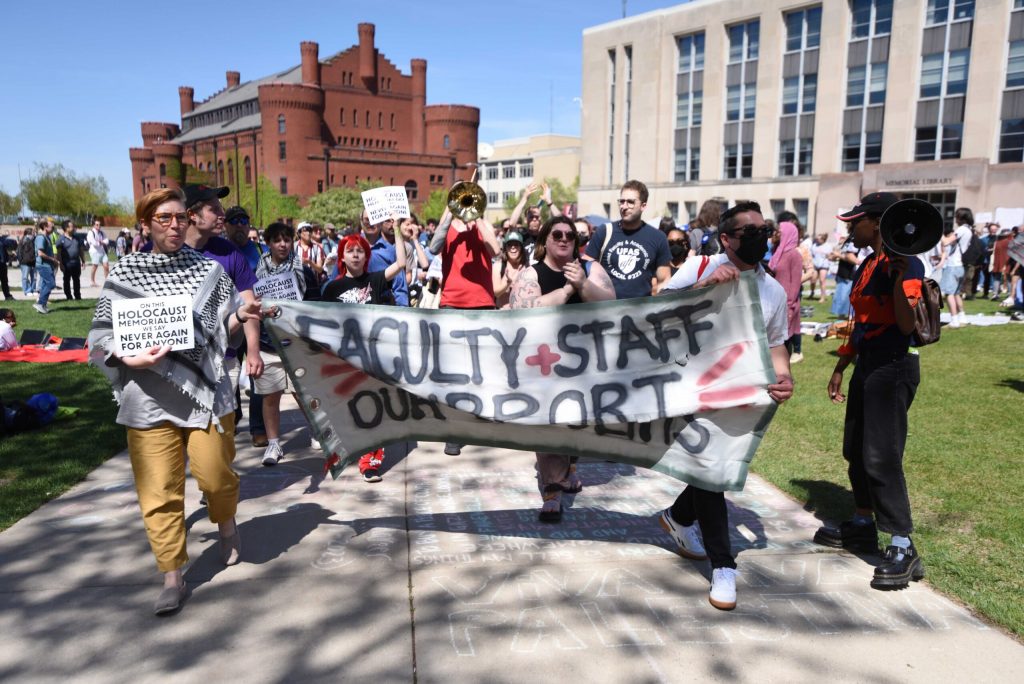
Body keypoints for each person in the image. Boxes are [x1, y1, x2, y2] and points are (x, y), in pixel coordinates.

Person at [87, 187, 266, 615]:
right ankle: (172, 574)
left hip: (207, 394)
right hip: (146, 397)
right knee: (158, 491)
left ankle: (226, 524)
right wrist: (127, 355)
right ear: (145, 224)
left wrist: (242, 317)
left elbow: (225, 326)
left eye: (179, 217)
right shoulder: (124, 273)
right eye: (163, 218)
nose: (174, 225)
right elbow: (98, 335)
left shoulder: (209, 272)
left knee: (216, 475)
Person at [658, 201, 793, 610]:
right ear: (726, 239)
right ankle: (723, 564)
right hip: (687, 387)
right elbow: (653, 312)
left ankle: (680, 517)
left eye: (763, 229)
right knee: (713, 471)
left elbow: (775, 341)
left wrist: (783, 375)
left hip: (736, 392)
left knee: (711, 467)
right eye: (748, 231)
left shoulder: (772, 290)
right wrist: (704, 287)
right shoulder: (699, 268)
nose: (760, 237)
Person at [814, 192, 926, 591]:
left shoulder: (905, 263)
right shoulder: (867, 262)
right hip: (868, 364)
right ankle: (863, 523)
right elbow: (860, 322)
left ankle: (901, 545)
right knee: (855, 447)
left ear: (877, 223)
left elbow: (905, 323)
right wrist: (842, 366)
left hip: (894, 365)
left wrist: (898, 277)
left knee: (882, 454)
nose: (849, 228)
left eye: (855, 221)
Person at [509, 216, 615, 522]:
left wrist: (582, 284)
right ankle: (552, 491)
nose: (565, 239)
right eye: (557, 234)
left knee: (576, 423)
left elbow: (612, 303)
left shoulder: (592, 269)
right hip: (545, 366)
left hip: (585, 364)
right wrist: (568, 292)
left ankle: (568, 468)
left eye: (571, 235)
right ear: (545, 240)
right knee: (549, 426)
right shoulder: (532, 273)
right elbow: (520, 311)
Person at [322, 226, 409, 482]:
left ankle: (370, 462)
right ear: (342, 256)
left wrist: (396, 228)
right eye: (350, 251)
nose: (356, 255)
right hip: (342, 360)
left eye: (361, 250)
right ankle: (344, 450)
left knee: (372, 409)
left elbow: (401, 262)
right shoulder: (331, 289)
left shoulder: (376, 280)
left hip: (373, 357)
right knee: (346, 410)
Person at [429, 208, 500, 454]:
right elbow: (433, 246)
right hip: (452, 304)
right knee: (455, 372)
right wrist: (448, 215)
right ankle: (455, 431)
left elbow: (496, 250)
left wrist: (477, 218)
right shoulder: (447, 223)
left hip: (482, 302)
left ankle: (483, 422)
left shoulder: (482, 224)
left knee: (484, 368)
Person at [253, 222, 321, 467]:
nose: (282, 244)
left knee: (302, 392)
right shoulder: (256, 272)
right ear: (268, 243)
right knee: (270, 397)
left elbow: (315, 304)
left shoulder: (303, 270)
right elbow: (250, 308)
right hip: (267, 343)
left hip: (296, 342)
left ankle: (317, 431)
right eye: (276, 240)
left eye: (286, 240)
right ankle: (273, 444)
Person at [583, 180, 671, 298]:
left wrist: (655, 307)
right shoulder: (604, 232)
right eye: (621, 201)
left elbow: (664, 280)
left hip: (640, 311)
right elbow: (585, 268)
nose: (624, 206)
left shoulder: (658, 237)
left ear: (643, 206)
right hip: (606, 309)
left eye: (630, 202)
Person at [769, 221, 806, 363]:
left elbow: (795, 284)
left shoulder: (794, 255)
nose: (776, 233)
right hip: (775, 302)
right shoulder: (777, 252)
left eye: (780, 231)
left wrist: (789, 306)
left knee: (783, 343)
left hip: (787, 304)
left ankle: (784, 376)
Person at [936, 207, 973, 328]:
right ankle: (962, 317)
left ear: (962, 218)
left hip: (953, 265)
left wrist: (939, 232)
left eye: (957, 216)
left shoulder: (961, 229)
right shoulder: (969, 229)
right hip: (960, 265)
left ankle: (954, 320)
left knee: (949, 293)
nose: (955, 219)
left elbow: (945, 242)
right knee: (956, 293)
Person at [492, 231, 528, 309]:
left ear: (521, 248)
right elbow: (496, 293)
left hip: (522, 314)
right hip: (502, 315)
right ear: (505, 248)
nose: (513, 247)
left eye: (516, 244)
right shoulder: (498, 266)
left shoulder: (527, 267)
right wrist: (508, 283)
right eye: (509, 245)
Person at [224, 206, 263, 272]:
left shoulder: (262, 250)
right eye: (234, 221)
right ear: (225, 226)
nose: (239, 225)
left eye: (244, 221)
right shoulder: (218, 253)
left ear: (248, 225)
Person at [33, 219, 59, 315]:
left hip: (47, 265)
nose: (53, 228)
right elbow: (40, 253)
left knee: (45, 284)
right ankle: (40, 303)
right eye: (51, 226)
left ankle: (42, 305)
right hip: (43, 265)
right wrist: (53, 260)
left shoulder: (47, 237)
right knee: (51, 284)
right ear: (44, 226)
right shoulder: (41, 237)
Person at [57, 220, 85, 301]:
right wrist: (60, 264)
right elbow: (58, 253)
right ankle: (68, 296)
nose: (74, 228)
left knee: (76, 280)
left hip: (76, 263)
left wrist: (83, 260)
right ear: (66, 228)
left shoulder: (77, 238)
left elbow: (80, 250)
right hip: (66, 263)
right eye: (72, 226)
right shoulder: (61, 239)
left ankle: (77, 296)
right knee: (66, 280)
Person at [86, 219, 110, 286]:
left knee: (106, 266)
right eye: (97, 224)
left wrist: (101, 242)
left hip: (102, 251)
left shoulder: (102, 232)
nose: (98, 226)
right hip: (94, 252)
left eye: (99, 225)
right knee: (95, 266)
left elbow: (107, 241)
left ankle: (107, 281)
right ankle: (92, 281)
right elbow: (94, 243)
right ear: (93, 225)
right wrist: (101, 242)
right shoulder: (91, 232)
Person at [809, 233, 831, 302]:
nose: (817, 240)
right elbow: (811, 255)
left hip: (824, 265)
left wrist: (829, 257)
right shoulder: (814, 245)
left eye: (818, 239)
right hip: (815, 265)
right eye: (816, 239)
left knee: (822, 280)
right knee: (812, 280)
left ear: (823, 240)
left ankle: (822, 297)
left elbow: (830, 256)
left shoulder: (828, 246)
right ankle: (812, 292)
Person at [18, 227, 36, 296]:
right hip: (25, 262)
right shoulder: (23, 241)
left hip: (33, 262)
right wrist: (21, 260)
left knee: (34, 277)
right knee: (25, 277)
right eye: (33, 232)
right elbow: (19, 252)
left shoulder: (34, 240)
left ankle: (33, 289)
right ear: (28, 233)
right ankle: (27, 290)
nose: (34, 234)